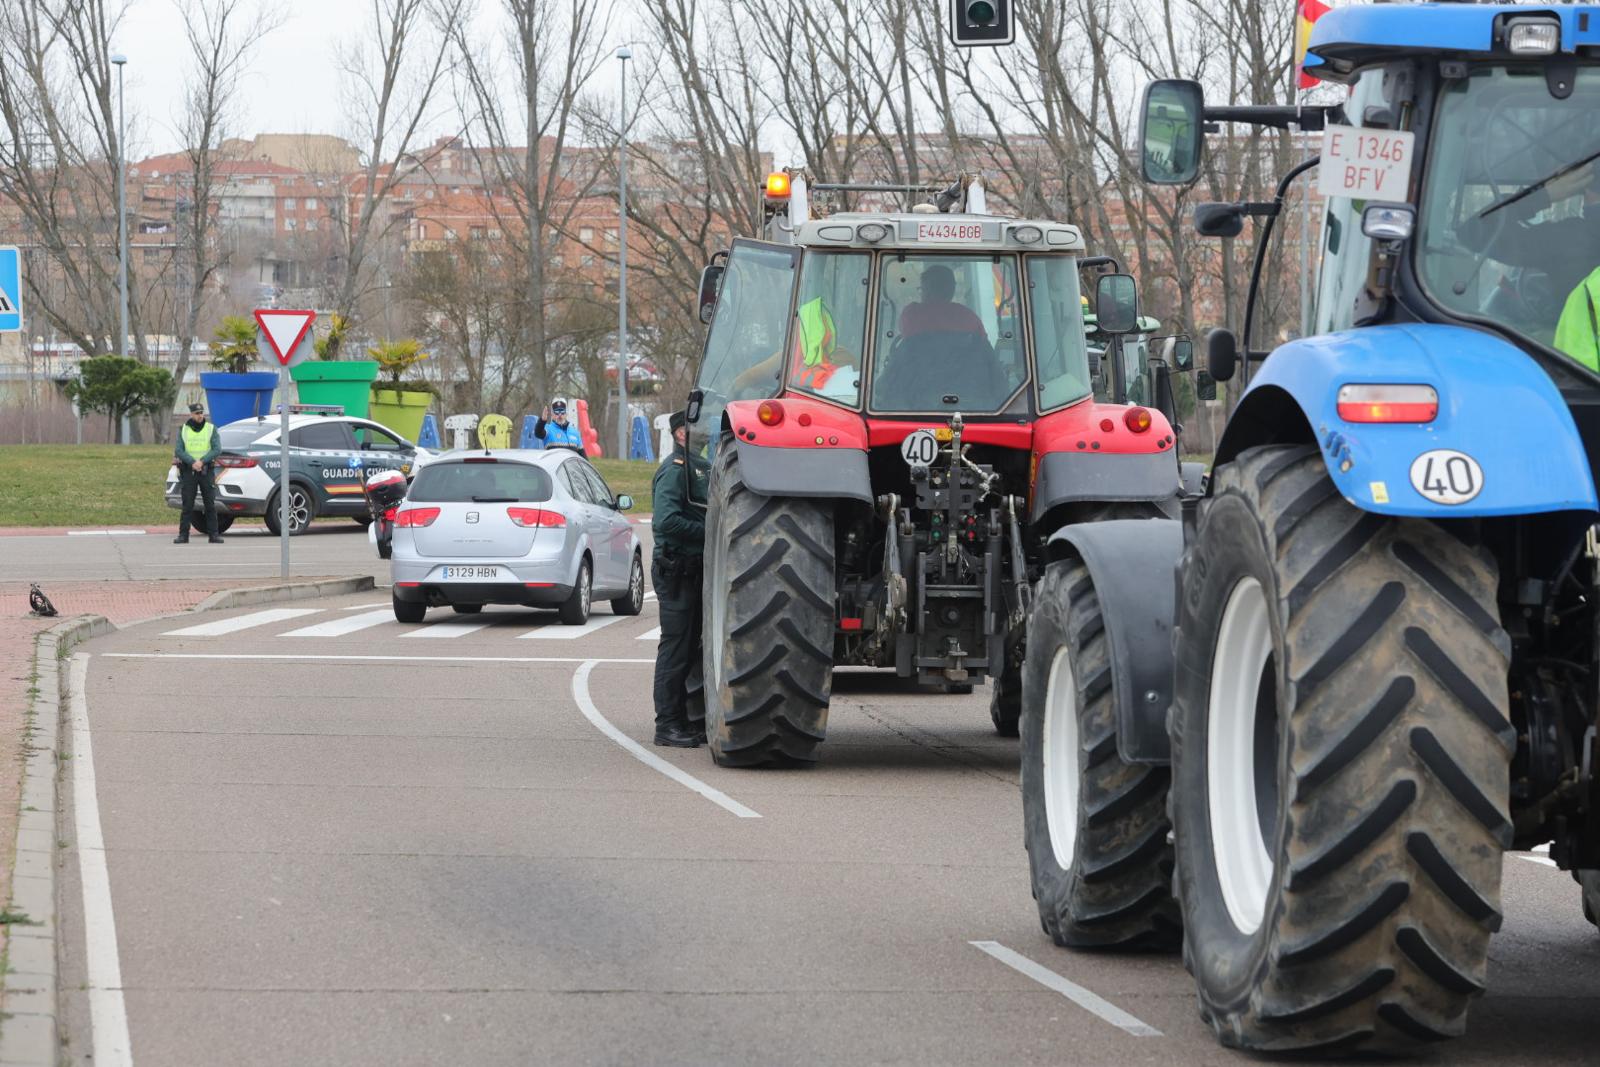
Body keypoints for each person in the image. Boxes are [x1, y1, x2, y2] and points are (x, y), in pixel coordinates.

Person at [651, 409, 709, 747]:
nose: (703, 431)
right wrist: (710, 532)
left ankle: (684, 720)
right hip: (676, 571)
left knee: (688, 650)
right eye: (695, 427)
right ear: (680, 434)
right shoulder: (675, 472)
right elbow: (666, 521)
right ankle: (667, 724)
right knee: (675, 650)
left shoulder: (698, 467)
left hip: (691, 570)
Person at [173, 402, 223, 544]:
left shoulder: (211, 429)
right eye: (197, 413)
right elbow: (179, 450)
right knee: (187, 504)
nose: (200, 416)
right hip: (189, 471)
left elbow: (216, 449)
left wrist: (201, 461)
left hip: (206, 470)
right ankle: (183, 535)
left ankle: (214, 535)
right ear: (191, 414)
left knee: (210, 504)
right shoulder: (183, 429)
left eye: (201, 413)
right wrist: (192, 462)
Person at [898, 264, 984, 338]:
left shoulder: (912, 314)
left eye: (921, 289)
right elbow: (986, 351)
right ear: (952, 290)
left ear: (928, 290)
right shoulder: (969, 318)